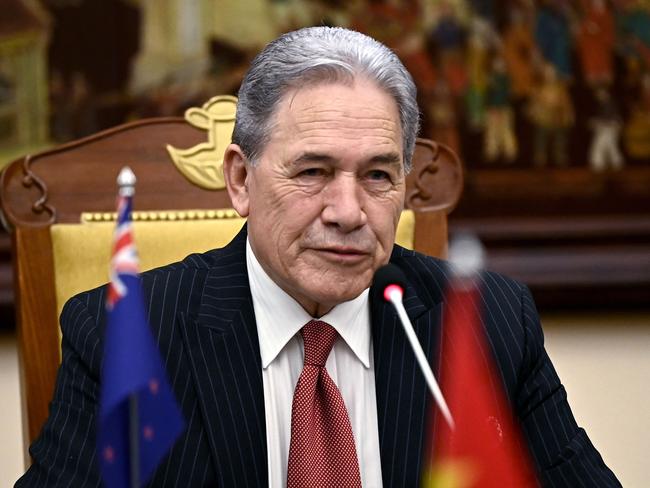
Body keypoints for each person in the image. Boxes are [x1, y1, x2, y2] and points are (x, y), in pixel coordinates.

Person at [17, 27, 619, 487]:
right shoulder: (132, 332)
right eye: (313, 171)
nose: (349, 211)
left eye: (378, 175)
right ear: (240, 180)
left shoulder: (486, 319)